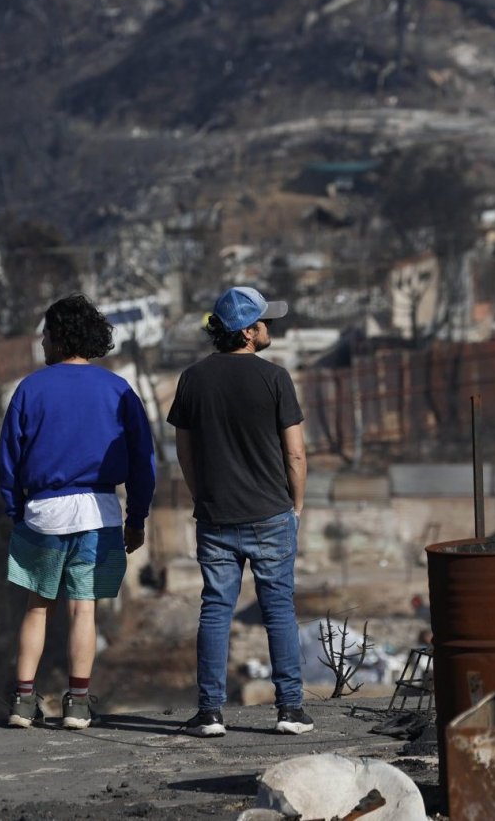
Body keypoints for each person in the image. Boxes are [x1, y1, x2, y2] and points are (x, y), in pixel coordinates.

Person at [0, 294, 155, 730]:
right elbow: (144, 460)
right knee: (82, 609)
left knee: (37, 606)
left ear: (59, 337)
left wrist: (15, 511)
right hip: (98, 512)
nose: (42, 343)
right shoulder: (118, 388)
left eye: (45, 334)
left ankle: (23, 701)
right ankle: (79, 703)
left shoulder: (30, 388)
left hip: (43, 513)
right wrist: (136, 517)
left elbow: (9, 459)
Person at [168, 285, 312, 737]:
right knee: (279, 611)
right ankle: (290, 709)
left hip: (215, 516)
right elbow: (295, 455)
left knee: (214, 610)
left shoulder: (192, 379)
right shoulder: (275, 379)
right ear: (248, 333)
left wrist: (201, 497)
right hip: (271, 513)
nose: (270, 328)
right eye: (264, 322)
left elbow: (184, 455)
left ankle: (210, 712)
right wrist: (297, 505)